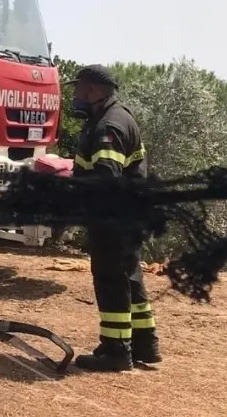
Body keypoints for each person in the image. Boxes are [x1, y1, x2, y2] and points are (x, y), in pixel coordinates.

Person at [68, 64, 159, 372]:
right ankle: (146, 345)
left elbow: (107, 178)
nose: (75, 95)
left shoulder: (109, 126)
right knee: (130, 277)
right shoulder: (114, 117)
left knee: (111, 279)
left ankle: (116, 350)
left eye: (78, 88)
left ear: (93, 90)